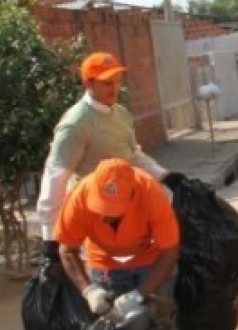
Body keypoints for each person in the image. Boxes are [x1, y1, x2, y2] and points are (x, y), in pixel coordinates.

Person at [55, 158, 182, 330]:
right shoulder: (79, 196)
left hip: (151, 261)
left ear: (132, 196)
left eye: (112, 212)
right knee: (116, 325)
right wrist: (89, 290)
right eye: (101, 208)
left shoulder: (150, 193)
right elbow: (67, 250)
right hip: (105, 264)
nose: (104, 217)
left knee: (160, 320)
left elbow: (170, 251)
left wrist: (140, 293)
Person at [37, 51, 181, 256]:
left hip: (128, 210)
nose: (114, 88)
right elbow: (55, 179)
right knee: (101, 276)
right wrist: (50, 241)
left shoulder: (120, 114)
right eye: (107, 83)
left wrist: (165, 176)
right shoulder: (76, 124)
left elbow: (132, 155)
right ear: (89, 84)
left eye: (117, 81)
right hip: (95, 215)